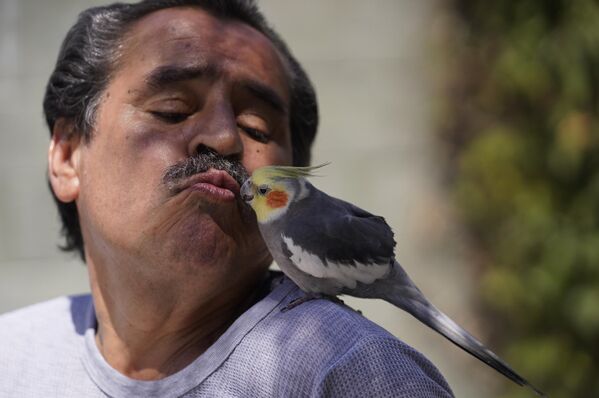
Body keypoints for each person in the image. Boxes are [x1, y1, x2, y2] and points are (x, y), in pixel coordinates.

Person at [0, 1, 453, 397]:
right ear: (66, 155)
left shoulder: (359, 374)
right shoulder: (11, 359)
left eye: (256, 128)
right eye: (172, 110)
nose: (223, 138)